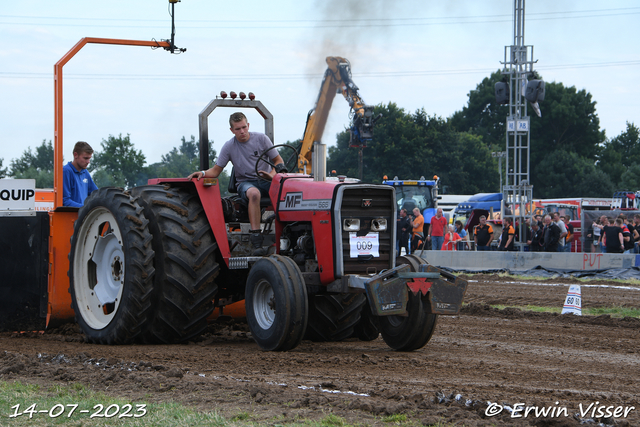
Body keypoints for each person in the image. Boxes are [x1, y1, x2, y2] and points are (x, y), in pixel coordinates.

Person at [188, 112, 286, 255]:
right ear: (232, 130)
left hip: (266, 179)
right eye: (238, 129)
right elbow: (215, 171)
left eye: (244, 127)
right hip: (245, 183)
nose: (242, 131)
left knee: (287, 190)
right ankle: (256, 237)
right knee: (254, 193)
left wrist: (271, 175)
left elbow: (278, 161)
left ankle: (285, 232)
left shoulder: (262, 139)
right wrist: (202, 173)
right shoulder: (229, 147)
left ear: (248, 125)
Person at [63, 141, 99, 208]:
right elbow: (65, 201)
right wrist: (85, 208)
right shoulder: (66, 171)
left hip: (83, 216)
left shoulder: (85, 172)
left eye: (89, 158)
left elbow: (96, 194)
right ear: (75, 155)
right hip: (72, 216)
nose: (88, 162)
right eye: (85, 158)